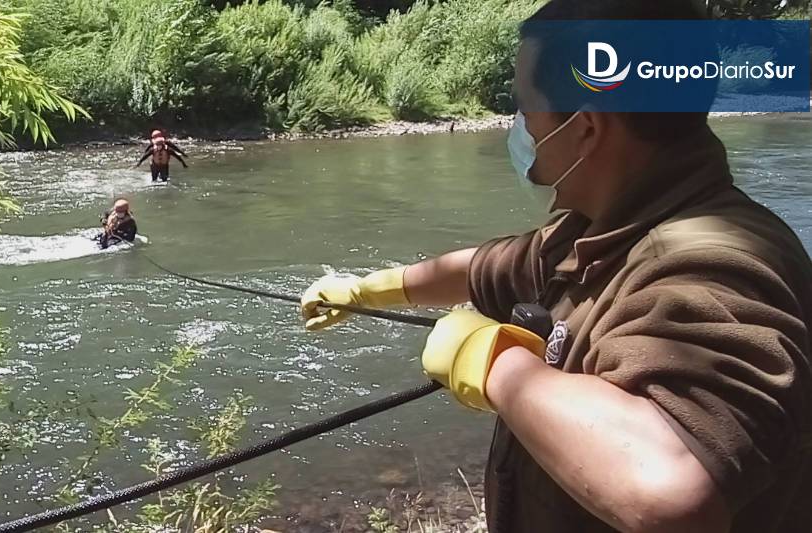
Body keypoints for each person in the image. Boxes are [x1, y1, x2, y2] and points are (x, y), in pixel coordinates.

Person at [300, 1, 812, 532]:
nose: (517, 125)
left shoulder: (710, 265)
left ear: (586, 127)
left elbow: (673, 489)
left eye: (524, 107)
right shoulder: (604, 223)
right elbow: (485, 267)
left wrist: (498, 364)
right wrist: (365, 290)